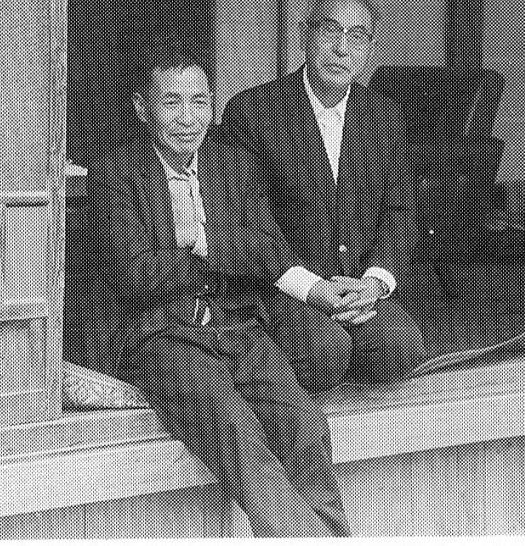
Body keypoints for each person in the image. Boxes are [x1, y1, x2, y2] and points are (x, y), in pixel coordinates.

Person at [87, 34, 351, 537]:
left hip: (235, 325)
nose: (188, 118)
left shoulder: (228, 163)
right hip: (161, 336)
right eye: (171, 102)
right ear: (143, 109)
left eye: (200, 102)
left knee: (303, 422)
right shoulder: (116, 173)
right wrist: (222, 255)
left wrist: (200, 248)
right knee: (237, 430)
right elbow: (136, 277)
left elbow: (263, 247)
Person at [221, 0, 427, 392]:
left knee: (399, 349)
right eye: (330, 31)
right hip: (285, 286)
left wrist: (374, 283)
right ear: (304, 35)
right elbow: (247, 218)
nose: (341, 48)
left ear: (370, 49)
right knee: (323, 355)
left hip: (357, 287)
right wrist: (312, 288)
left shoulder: (384, 115)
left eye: (357, 36)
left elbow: (401, 212)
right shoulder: (253, 111)